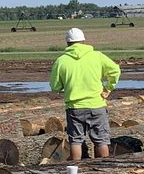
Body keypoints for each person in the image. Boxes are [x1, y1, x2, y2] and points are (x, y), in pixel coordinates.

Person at [49, 27, 120, 161]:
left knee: (76, 141)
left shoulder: (61, 61)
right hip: (97, 105)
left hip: (74, 107)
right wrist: (108, 89)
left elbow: (55, 86)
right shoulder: (97, 56)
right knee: (101, 140)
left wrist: (64, 88)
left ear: (68, 43)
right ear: (83, 41)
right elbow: (115, 70)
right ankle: (104, 169)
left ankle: (77, 170)